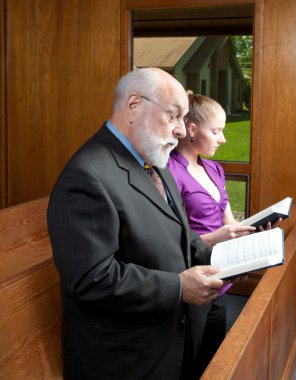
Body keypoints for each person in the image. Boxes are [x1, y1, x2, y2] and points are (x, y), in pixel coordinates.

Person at [46, 68, 229, 380]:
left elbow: (181, 235)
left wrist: (231, 258)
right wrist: (179, 287)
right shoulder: (87, 175)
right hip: (126, 358)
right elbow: (93, 279)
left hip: (168, 340)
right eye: (173, 116)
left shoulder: (155, 161)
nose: (182, 131)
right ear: (133, 106)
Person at [168, 92, 256, 378]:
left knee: (215, 353)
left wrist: (250, 237)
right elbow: (171, 234)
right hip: (193, 274)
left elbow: (228, 220)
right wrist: (219, 236)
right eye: (216, 131)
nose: (223, 139)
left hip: (222, 275)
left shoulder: (215, 168)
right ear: (191, 130)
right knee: (189, 360)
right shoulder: (169, 172)